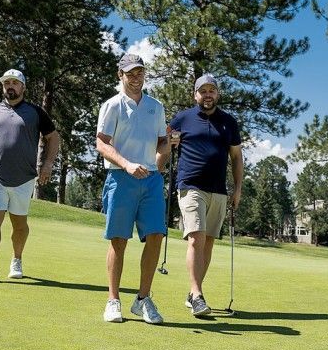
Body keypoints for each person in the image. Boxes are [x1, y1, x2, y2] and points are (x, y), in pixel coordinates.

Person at [95, 53, 171, 324]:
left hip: (151, 180)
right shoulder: (112, 105)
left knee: (156, 236)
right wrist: (126, 164)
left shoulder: (156, 106)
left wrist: (159, 163)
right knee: (119, 239)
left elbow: (163, 141)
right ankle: (113, 300)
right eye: (130, 73)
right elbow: (101, 143)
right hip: (120, 177)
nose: (135, 77)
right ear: (121, 75)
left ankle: (142, 299)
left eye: (139, 72)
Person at [0, 69, 59, 284]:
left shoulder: (36, 112)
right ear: (2, 87)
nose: (10, 86)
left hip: (24, 178)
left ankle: (16, 259)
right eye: (6, 83)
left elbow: (53, 138)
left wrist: (47, 165)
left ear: (23, 87)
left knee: (19, 223)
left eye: (15, 83)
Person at [168, 73, 243, 317]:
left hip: (218, 190)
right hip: (190, 185)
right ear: (195, 94)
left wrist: (238, 188)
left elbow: (236, 157)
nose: (207, 95)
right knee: (196, 238)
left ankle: (193, 293)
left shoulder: (229, 123)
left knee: (208, 241)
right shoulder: (182, 118)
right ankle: (198, 294)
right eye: (203, 91)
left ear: (217, 94)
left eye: (211, 90)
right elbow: (164, 141)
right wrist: (167, 145)